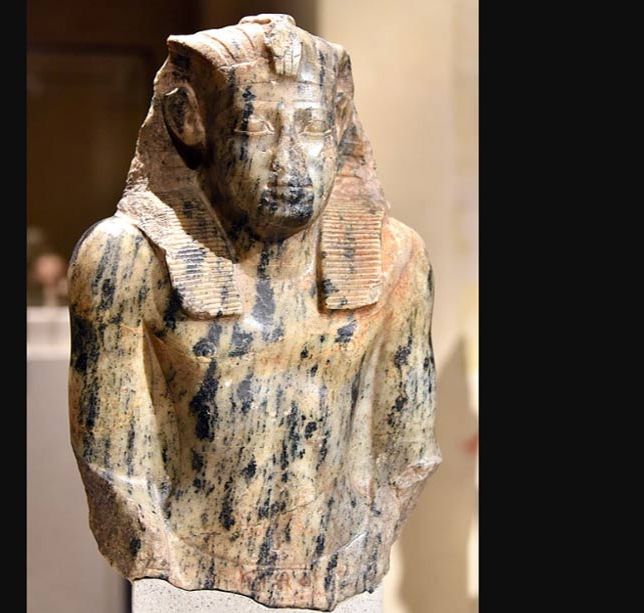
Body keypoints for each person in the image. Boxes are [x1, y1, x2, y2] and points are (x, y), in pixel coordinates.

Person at [68, 14, 440, 610]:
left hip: (345, 568)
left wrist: (363, 542)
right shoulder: (127, 260)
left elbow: (406, 449)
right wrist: (166, 563)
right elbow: (116, 463)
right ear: (191, 123)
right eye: (256, 127)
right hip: (188, 577)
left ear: (340, 124)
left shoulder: (396, 258)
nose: (289, 162)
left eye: (312, 127)